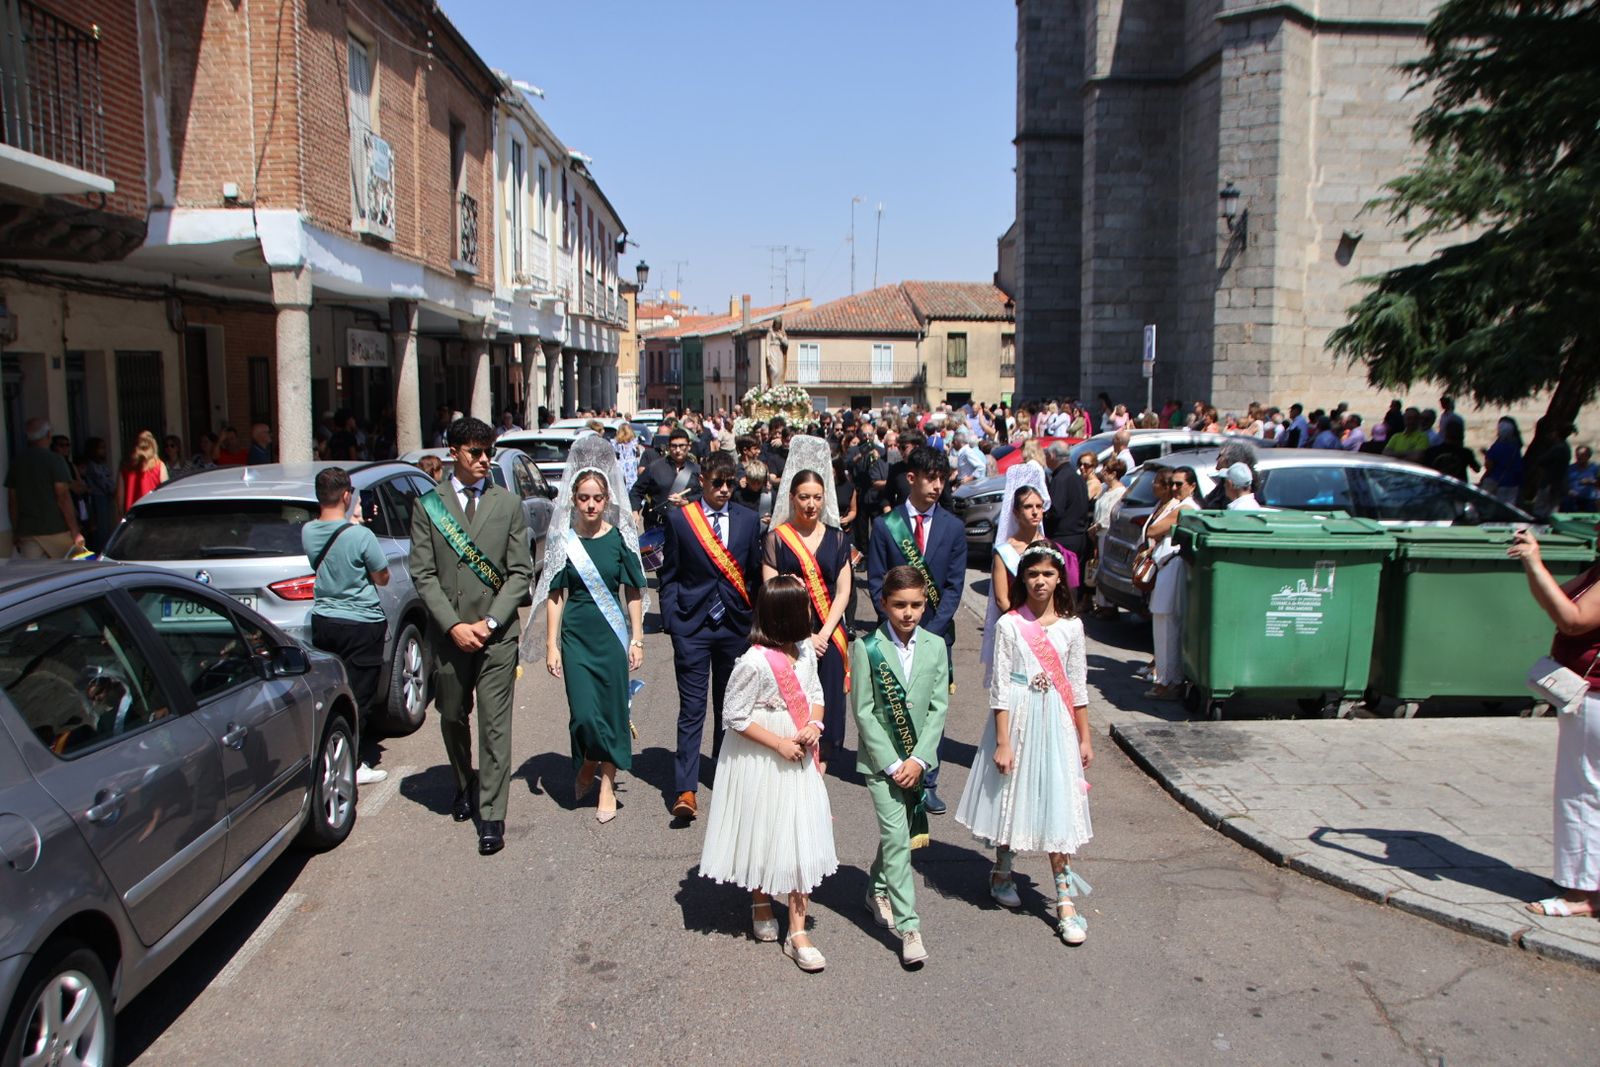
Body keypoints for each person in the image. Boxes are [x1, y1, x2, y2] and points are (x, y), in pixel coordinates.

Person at [954, 540, 1093, 946]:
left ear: (1059, 578)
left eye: (1048, 574)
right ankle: (1002, 869)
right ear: (1022, 579)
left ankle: (1065, 900)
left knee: (1057, 801)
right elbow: (999, 687)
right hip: (1018, 718)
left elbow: (1079, 688)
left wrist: (1085, 737)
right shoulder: (1009, 625)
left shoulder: (1072, 627)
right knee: (1012, 795)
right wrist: (1002, 741)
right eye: (1033, 574)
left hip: (1058, 720)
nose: (1040, 581)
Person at [697, 575, 837, 972]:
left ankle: (797, 932)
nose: (811, 612)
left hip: (799, 745)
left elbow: (816, 697)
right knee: (764, 825)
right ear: (788, 614)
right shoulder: (754, 661)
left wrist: (815, 725)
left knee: (799, 833)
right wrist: (778, 743)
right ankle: (760, 898)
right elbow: (734, 716)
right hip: (763, 750)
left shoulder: (807, 650)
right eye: (805, 606)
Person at [408, 417, 533, 856]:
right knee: (451, 715)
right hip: (451, 634)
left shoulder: (508, 504)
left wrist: (492, 622)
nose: (484, 460)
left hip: (496, 636)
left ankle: (493, 814)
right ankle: (464, 779)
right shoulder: (429, 506)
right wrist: (454, 625)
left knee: (495, 726)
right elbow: (422, 574)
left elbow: (521, 573)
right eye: (475, 452)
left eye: (488, 452)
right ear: (454, 453)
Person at [534, 436, 646, 824]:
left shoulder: (618, 540)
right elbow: (555, 594)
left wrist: (636, 638)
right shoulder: (564, 541)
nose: (591, 505)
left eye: (598, 498)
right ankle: (586, 761)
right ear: (573, 499)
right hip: (577, 636)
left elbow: (632, 590)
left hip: (611, 636)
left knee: (612, 712)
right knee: (583, 713)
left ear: (608, 499)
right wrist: (551, 645)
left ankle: (606, 784)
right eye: (583, 498)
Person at [852, 564, 950, 968]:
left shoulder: (936, 645)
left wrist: (919, 758)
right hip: (882, 766)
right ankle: (910, 926)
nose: (908, 613)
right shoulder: (867, 647)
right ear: (884, 604)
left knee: (899, 833)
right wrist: (894, 762)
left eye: (916, 604)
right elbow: (863, 710)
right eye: (900, 605)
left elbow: (937, 707)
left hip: (918, 761)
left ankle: (875, 886)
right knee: (899, 841)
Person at [660, 451, 762, 820]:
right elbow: (669, 574)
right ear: (701, 479)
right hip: (691, 625)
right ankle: (685, 788)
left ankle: (724, 775)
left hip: (734, 626)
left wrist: (755, 623)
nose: (723, 489)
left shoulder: (749, 521)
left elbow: (752, 574)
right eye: (716, 482)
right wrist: (670, 619)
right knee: (692, 709)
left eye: (730, 482)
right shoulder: (681, 520)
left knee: (729, 706)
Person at [867, 445, 966, 815]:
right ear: (912, 478)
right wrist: (897, 623)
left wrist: (931, 631)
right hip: (894, 632)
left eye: (943, 479)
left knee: (931, 708)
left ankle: (928, 780)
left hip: (936, 635)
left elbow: (955, 586)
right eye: (931, 478)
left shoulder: (953, 527)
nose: (938, 486)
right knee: (893, 703)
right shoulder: (885, 526)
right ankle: (894, 769)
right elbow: (876, 581)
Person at [1507, 527, 1600, 918]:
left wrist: (1533, 561)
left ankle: (1581, 895)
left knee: (1582, 791)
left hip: (1594, 697)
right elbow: (1559, 604)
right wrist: (1533, 563)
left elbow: (1573, 620)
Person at [761, 437, 853, 770]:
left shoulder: (839, 538)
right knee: (793, 701)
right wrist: (804, 636)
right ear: (791, 497)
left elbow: (844, 590)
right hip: (791, 635)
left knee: (825, 700)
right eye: (804, 497)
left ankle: (820, 768)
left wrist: (825, 633)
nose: (810, 505)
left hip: (829, 635)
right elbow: (771, 588)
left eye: (817, 497)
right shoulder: (777, 539)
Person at [303, 467, 391, 788]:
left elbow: (331, 544)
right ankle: (354, 762)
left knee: (332, 694)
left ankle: (332, 756)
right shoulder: (361, 536)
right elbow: (382, 576)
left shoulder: (308, 532)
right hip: (361, 624)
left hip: (325, 621)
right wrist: (362, 527)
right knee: (359, 697)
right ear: (346, 495)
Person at [983, 467, 1056, 685]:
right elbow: (1002, 599)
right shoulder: (1004, 551)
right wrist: (1026, 626)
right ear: (1015, 512)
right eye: (1028, 507)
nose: (1035, 512)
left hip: (1048, 628)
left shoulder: (1050, 547)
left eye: (1038, 506)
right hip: (1017, 629)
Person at [1145, 467, 1200, 700]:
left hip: (1174, 566)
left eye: (1180, 484)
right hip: (1166, 567)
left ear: (1192, 486)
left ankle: (1170, 681)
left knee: (1168, 624)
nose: (1175, 488)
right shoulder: (1175, 505)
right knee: (1162, 623)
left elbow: (1155, 528)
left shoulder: (1187, 508)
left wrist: (1158, 530)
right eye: (1173, 484)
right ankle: (1166, 679)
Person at [5, 417, 85, 558]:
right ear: (48, 435)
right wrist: (75, 530)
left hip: (28, 531)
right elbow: (63, 497)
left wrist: (16, 531)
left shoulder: (17, 462)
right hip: (57, 530)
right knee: (71, 571)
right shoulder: (55, 460)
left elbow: (12, 501)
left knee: (36, 575)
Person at [630, 426, 701, 532]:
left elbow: (704, 495)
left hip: (688, 526)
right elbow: (636, 490)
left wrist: (687, 501)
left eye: (681, 446)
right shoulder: (655, 467)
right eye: (674, 446)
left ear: (689, 446)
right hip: (658, 526)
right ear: (668, 447)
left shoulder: (697, 470)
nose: (677, 450)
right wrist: (634, 511)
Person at [1043, 442, 1091, 589]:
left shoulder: (1061, 479)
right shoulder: (1076, 476)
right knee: (1073, 584)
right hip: (1078, 537)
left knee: (1064, 585)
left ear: (1052, 456)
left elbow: (1055, 511)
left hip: (1064, 540)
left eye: (1046, 456)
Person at [1089, 457, 1127, 618]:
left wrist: (1098, 526)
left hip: (1108, 533)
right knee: (1098, 566)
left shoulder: (1120, 492)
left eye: (1106, 471)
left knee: (1106, 567)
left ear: (1114, 474)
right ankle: (1100, 603)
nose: (1103, 473)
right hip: (1098, 533)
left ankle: (1109, 606)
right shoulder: (1105, 489)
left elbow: (1112, 513)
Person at [119, 431, 168, 515]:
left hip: (132, 516)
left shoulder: (125, 467)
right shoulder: (159, 465)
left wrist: (120, 515)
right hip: (154, 514)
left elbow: (120, 498)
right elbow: (165, 493)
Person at [1483, 417, 1526, 505]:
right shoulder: (1515, 447)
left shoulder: (1496, 447)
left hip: (1498, 482)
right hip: (1513, 484)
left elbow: (1489, 465)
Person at [1565, 446, 1600, 512]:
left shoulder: (1595, 468)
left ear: (1589, 456)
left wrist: (1591, 481)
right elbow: (1564, 483)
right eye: (1577, 455)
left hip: (1589, 499)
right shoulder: (1570, 468)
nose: (1579, 457)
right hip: (1572, 499)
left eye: (1582, 455)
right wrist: (1568, 490)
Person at [612, 421, 643, 491]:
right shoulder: (634, 443)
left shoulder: (615, 444)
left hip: (620, 468)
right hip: (631, 470)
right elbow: (638, 454)